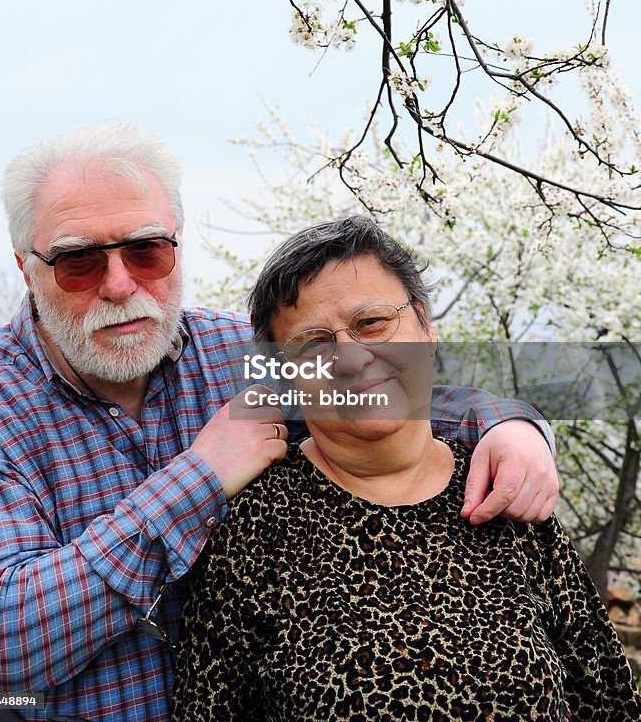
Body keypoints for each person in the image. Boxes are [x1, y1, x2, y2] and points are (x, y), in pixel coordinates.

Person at [0, 125, 559, 722]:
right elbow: (6, 643)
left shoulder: (232, 353)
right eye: (78, 261)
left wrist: (507, 426)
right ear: (25, 267)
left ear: (178, 243)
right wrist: (199, 479)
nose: (120, 286)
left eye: (147, 250)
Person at [172, 216, 641, 722]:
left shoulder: (504, 490)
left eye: (372, 323)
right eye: (313, 345)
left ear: (426, 327)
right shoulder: (253, 529)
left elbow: (607, 698)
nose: (351, 358)